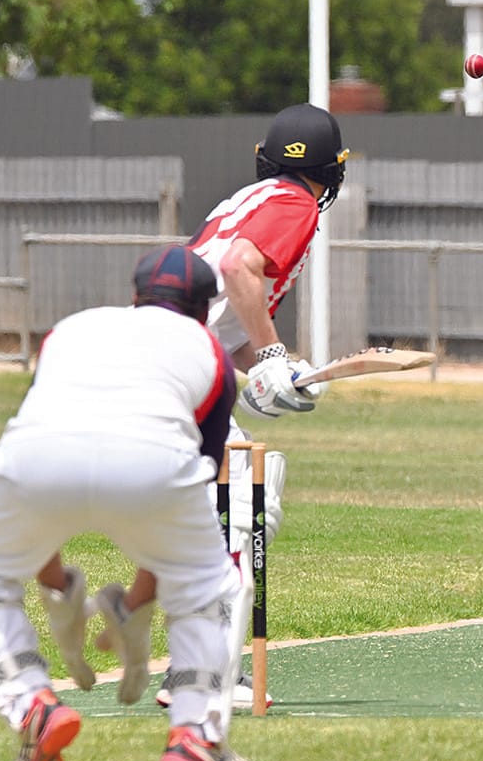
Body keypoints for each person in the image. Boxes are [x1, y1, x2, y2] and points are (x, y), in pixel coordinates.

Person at [0, 246, 262, 761]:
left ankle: (33, 706)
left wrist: (59, 589)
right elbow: (188, 489)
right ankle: (195, 737)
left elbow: (53, 456)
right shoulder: (211, 352)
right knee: (212, 586)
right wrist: (137, 603)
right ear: (203, 309)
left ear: (134, 297)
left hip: (34, 461)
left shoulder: (72, 329)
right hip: (153, 466)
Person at [55, 102, 349, 708]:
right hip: (172, 369)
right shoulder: (295, 205)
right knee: (243, 501)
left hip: (161, 359)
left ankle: (134, 609)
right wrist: (272, 357)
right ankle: (202, 673)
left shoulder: (244, 199)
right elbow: (241, 272)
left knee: (203, 508)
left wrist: (275, 369)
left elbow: (219, 314)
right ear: (333, 170)